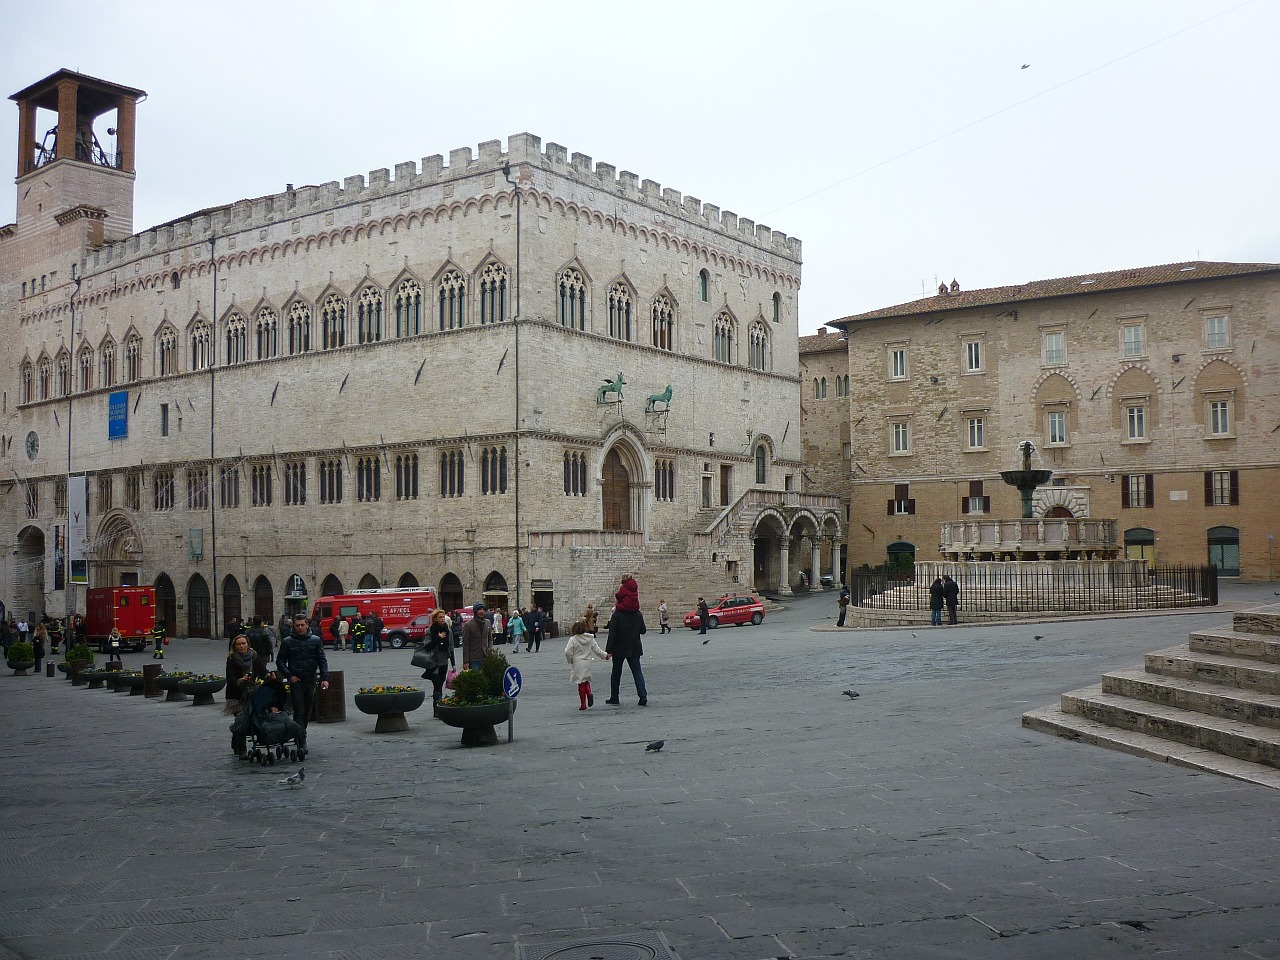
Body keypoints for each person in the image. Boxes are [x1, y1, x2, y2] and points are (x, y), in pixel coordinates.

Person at [275, 614, 330, 749]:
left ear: (307, 625)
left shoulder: (315, 640)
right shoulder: (288, 641)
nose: (300, 628)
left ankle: (300, 732)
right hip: (296, 681)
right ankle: (301, 739)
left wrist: (324, 678)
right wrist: (289, 675)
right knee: (299, 710)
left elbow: (322, 659)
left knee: (307, 710)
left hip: (310, 679)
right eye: (297, 625)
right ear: (294, 626)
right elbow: (280, 661)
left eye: (302, 625)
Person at [605, 575, 648, 706]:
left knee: (616, 672)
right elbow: (643, 630)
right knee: (637, 672)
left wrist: (609, 650)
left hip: (619, 647)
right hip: (634, 646)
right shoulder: (637, 613)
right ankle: (643, 696)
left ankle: (614, 697)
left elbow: (612, 633)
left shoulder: (617, 614)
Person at [564, 619, 610, 710]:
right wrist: (605, 656)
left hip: (578, 662)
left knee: (580, 683)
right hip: (587, 662)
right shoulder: (590, 638)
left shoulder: (573, 639)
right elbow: (597, 650)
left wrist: (570, 660)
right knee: (586, 679)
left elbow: (567, 652)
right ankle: (589, 692)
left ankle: (583, 704)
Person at [419, 609, 456, 715]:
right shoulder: (430, 631)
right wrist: (438, 638)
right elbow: (427, 646)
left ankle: (437, 707)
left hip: (444, 661)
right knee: (437, 684)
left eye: (443, 617)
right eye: (440, 617)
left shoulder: (448, 631)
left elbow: (451, 648)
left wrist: (453, 664)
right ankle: (438, 709)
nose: (442, 619)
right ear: (435, 619)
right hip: (433, 662)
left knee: (441, 682)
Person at [226, 634, 268, 723]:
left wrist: (268, 676)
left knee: (256, 719)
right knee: (241, 720)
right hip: (236, 694)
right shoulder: (231, 659)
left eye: (243, 643)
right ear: (235, 646)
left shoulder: (255, 656)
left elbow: (263, 671)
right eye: (239, 644)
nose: (241, 646)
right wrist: (241, 680)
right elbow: (230, 678)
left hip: (252, 691)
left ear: (248, 644)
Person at [461, 602, 493, 670]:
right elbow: (466, 644)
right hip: (474, 658)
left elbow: (490, 639)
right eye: (479, 609)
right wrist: (465, 661)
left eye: (483, 609)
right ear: (475, 611)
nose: (482, 611)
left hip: (486, 656)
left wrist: (490, 650)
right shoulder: (468, 625)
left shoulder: (488, 623)